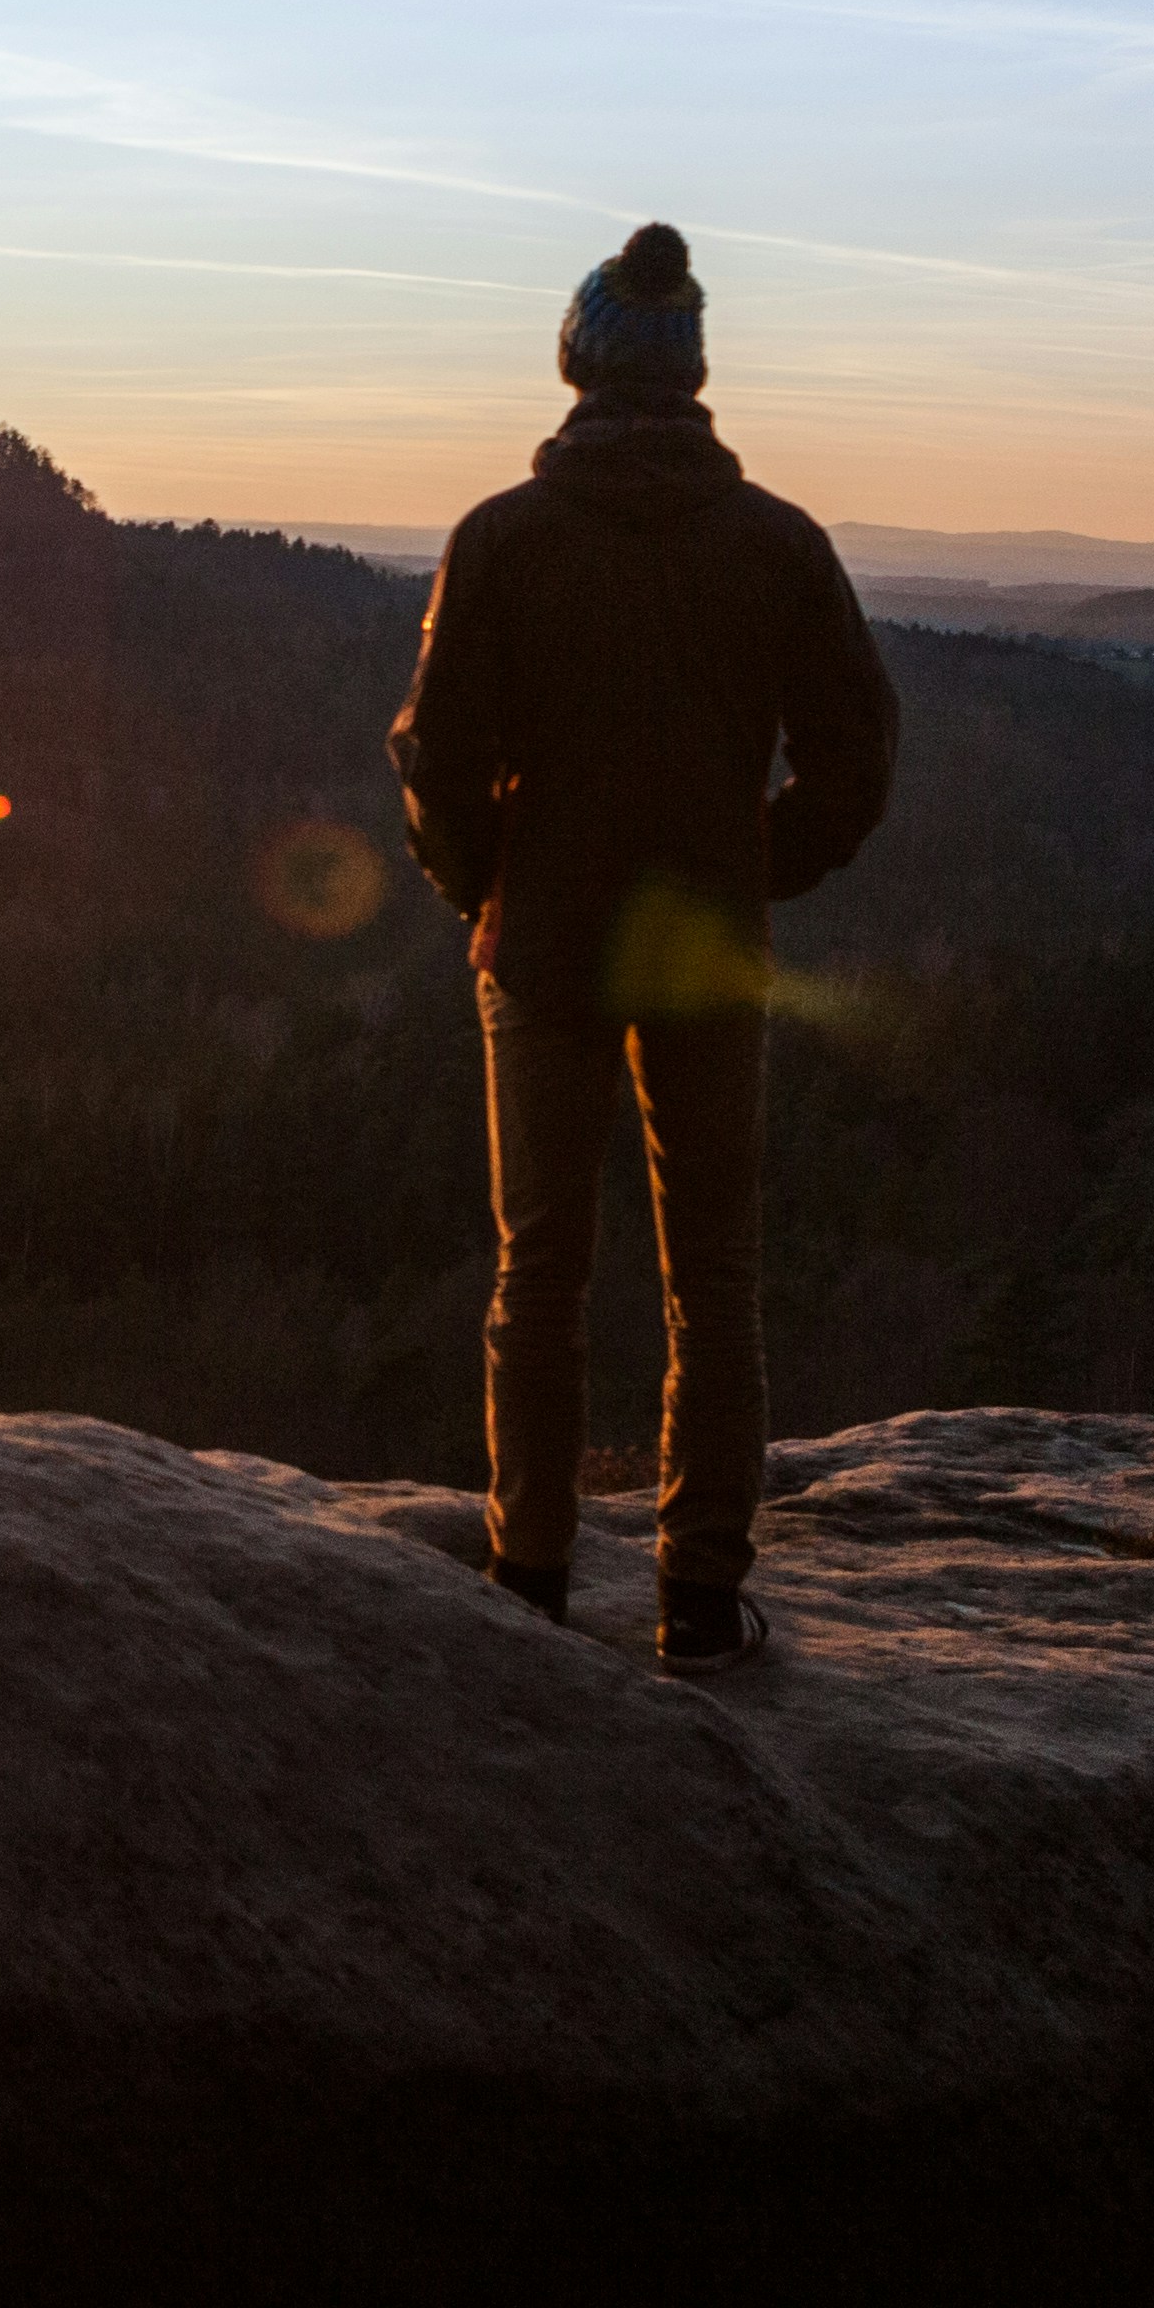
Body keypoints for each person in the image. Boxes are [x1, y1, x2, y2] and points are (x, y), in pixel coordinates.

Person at [389, 223, 896, 1675]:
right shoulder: (777, 544)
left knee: (537, 1270)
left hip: (543, 939)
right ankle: (697, 1596)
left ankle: (530, 1575)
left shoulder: (502, 538)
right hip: (705, 951)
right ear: (693, 377)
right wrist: (759, 866)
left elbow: (436, 756)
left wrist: (479, 886)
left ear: (578, 362)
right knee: (714, 1278)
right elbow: (857, 756)